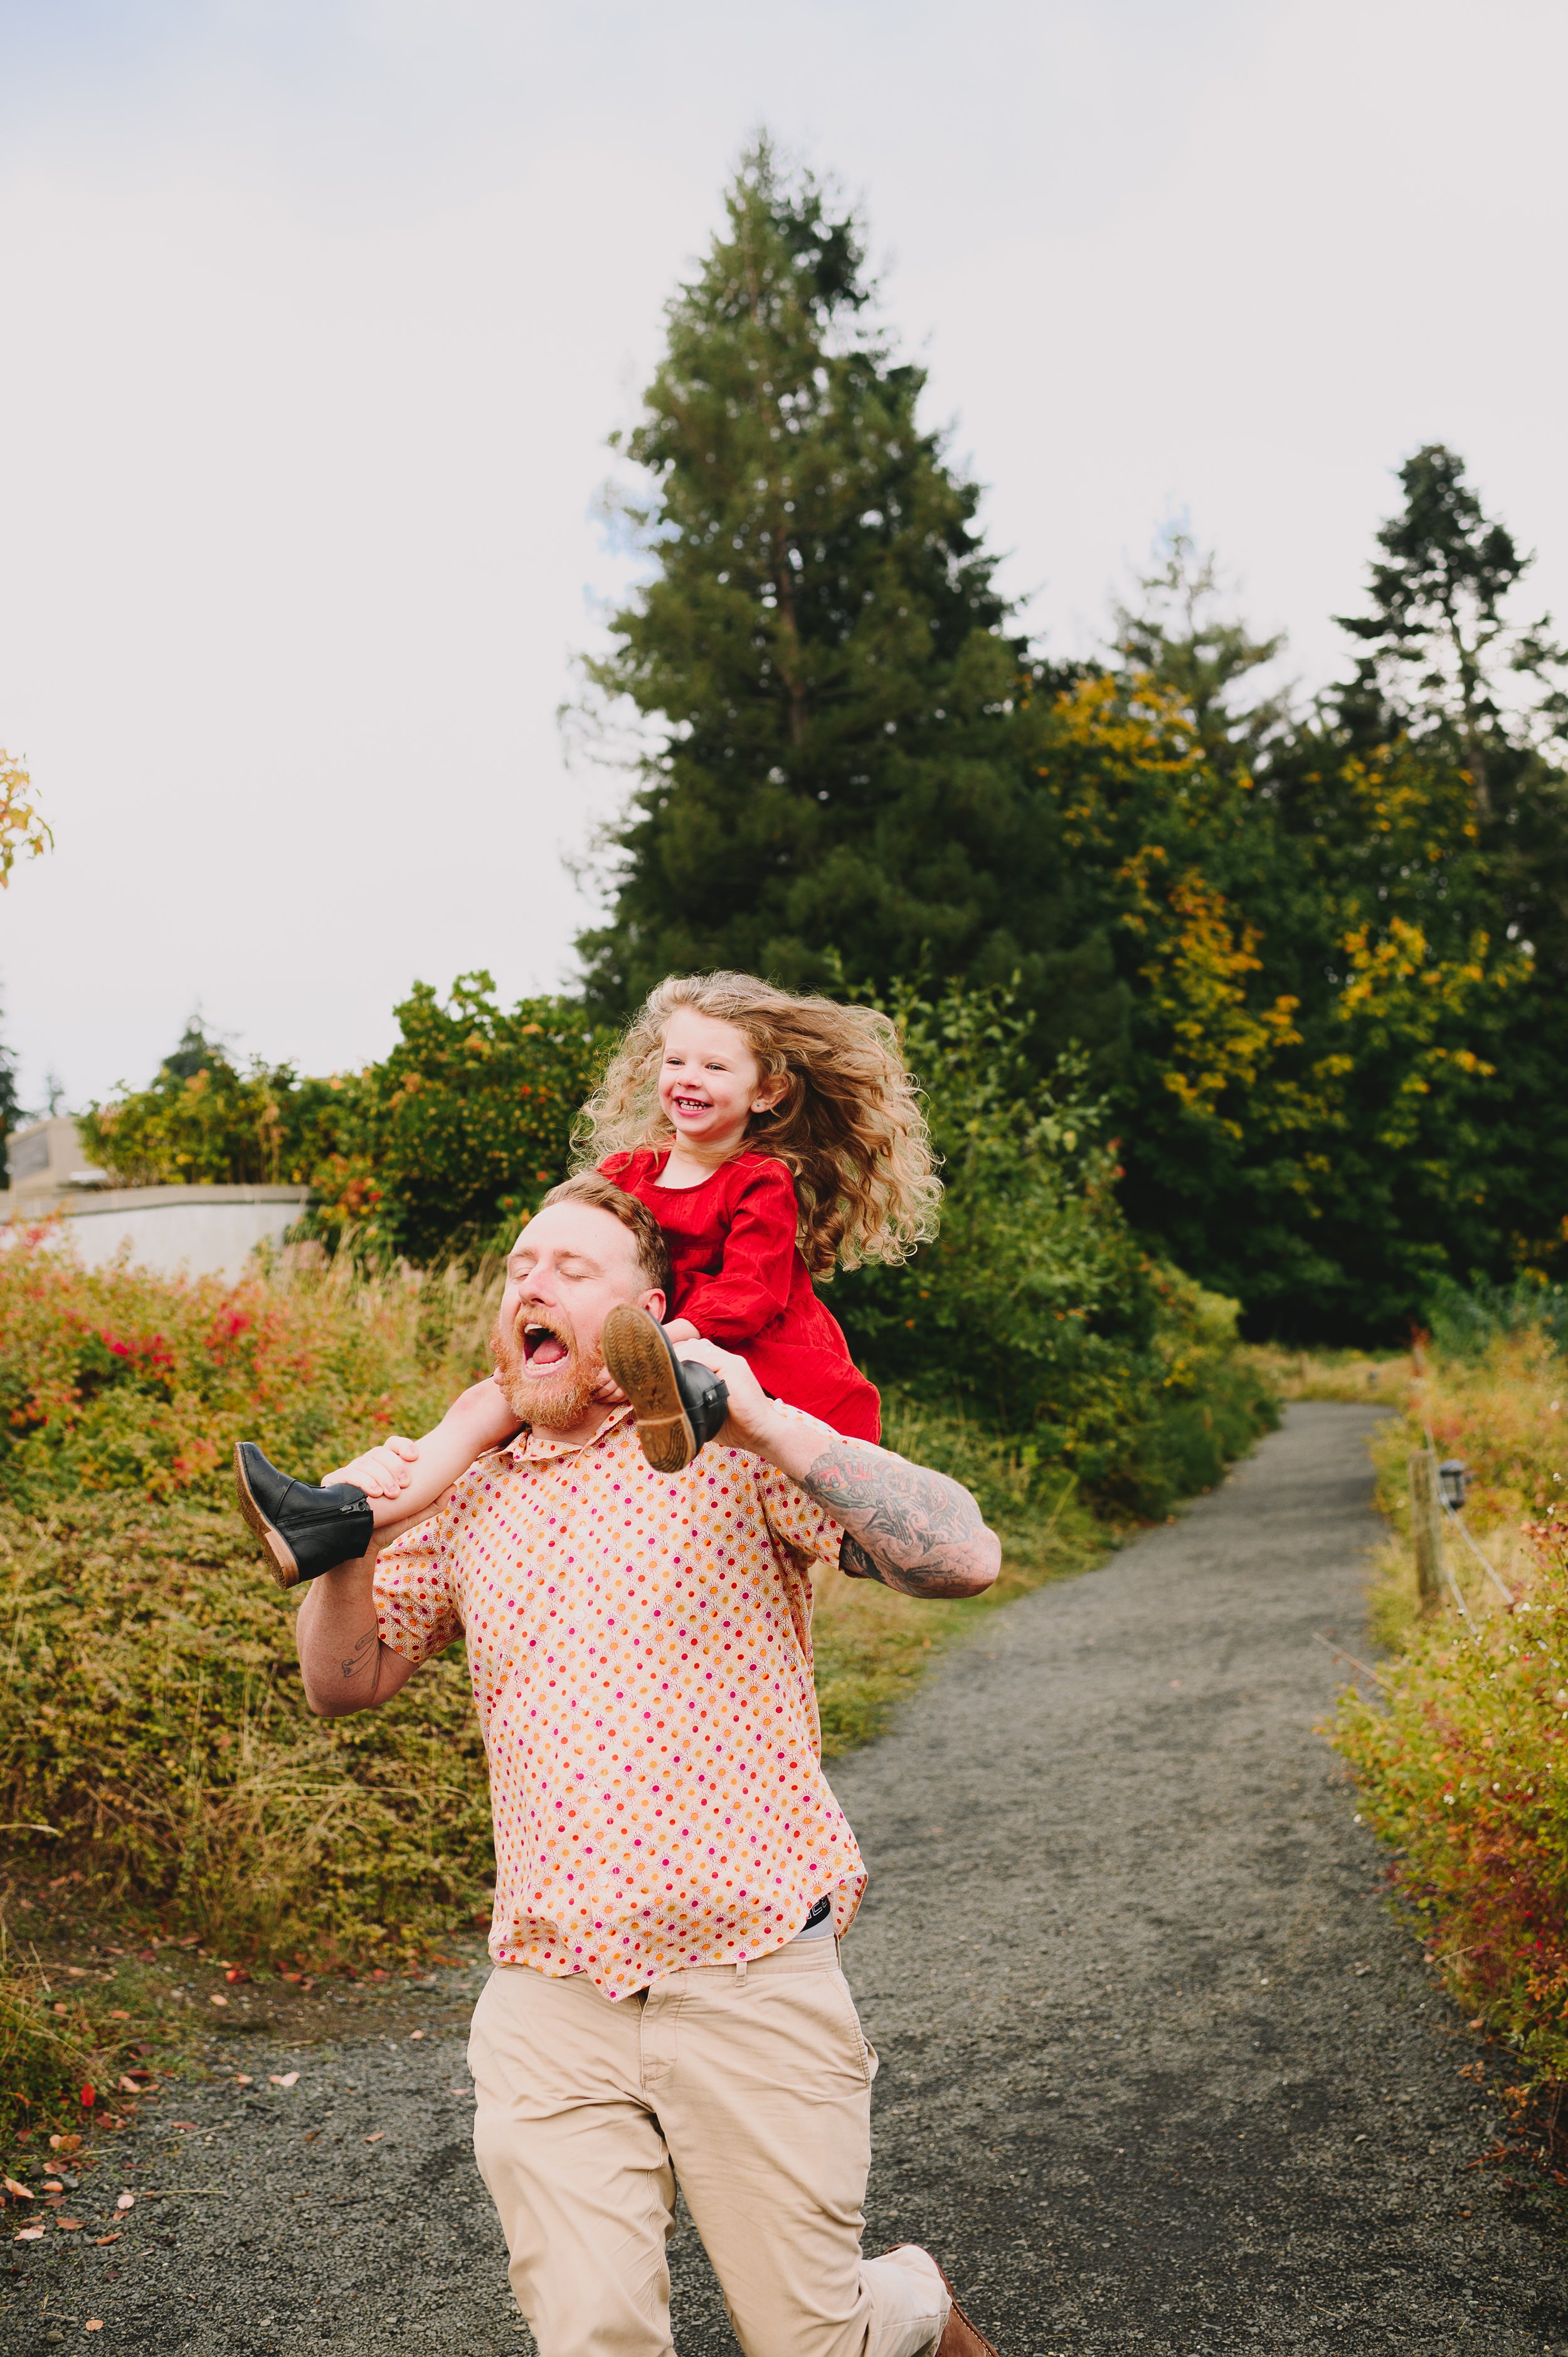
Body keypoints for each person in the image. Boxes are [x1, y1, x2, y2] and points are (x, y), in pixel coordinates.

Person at [291, 1173, 1004, 2357]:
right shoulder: (465, 1492)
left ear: (650, 1312)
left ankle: (913, 2308)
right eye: (521, 1266)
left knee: (814, 2342)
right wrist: (347, 1546)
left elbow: (964, 1557)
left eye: (574, 1268)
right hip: (550, 1992)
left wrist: (768, 1418)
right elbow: (345, 1679)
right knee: (592, 2340)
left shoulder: (727, 1454)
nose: (534, 1282)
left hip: (750, 1970)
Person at [234, 972, 938, 1588]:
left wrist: (661, 1340)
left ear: (769, 1090)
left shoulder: (761, 1180)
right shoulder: (626, 1173)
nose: (688, 1078)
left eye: (716, 1067)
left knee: (699, 1378)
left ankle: (682, 1432)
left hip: (734, 1347)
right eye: (675, 1060)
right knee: (483, 1404)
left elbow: (749, 1292)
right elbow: (584, 1254)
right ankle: (331, 1520)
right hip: (639, 1339)